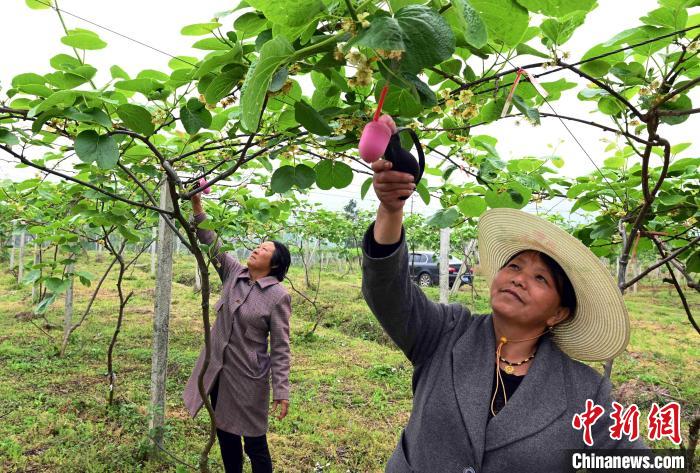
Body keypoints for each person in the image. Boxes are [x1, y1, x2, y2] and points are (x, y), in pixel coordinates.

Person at [362, 159, 662, 472]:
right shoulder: (444, 332)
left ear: (558, 313)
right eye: (514, 267)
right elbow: (387, 292)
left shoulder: (585, 390)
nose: (519, 279)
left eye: (540, 278)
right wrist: (391, 211)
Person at [182, 191, 292, 473]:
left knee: (255, 442)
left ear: (275, 264)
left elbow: (280, 347)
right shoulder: (234, 274)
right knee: (225, 435)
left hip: (248, 377)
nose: (257, 250)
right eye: (258, 246)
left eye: (265, 250)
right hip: (219, 370)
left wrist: (281, 389)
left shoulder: (278, 296)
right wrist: (197, 204)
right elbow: (211, 242)